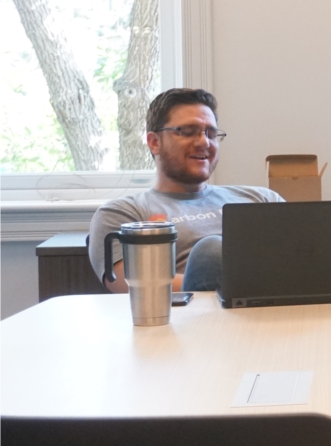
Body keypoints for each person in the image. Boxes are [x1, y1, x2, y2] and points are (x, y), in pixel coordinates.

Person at [88, 88, 282, 293]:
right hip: (191, 319)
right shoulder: (123, 213)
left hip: (284, 315)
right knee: (212, 252)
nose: (204, 142)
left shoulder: (262, 198)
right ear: (154, 142)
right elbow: (131, 283)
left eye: (211, 133)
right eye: (188, 131)